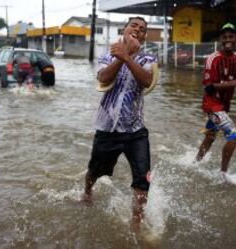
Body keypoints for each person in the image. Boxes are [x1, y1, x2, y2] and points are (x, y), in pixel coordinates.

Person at [82, 17, 159, 231]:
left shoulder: (149, 58)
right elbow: (104, 78)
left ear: (144, 37)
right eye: (134, 26)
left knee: (143, 179)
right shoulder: (108, 54)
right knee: (95, 171)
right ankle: (87, 191)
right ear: (124, 29)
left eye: (142, 29)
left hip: (136, 129)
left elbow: (146, 81)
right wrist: (122, 56)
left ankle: (137, 222)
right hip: (107, 128)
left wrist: (128, 57)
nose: (138, 30)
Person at [196, 23, 236, 182]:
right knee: (234, 136)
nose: (228, 40)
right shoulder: (212, 59)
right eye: (224, 37)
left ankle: (195, 163)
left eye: (231, 36)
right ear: (220, 39)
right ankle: (223, 173)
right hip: (212, 105)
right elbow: (208, 88)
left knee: (210, 137)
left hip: (224, 107)